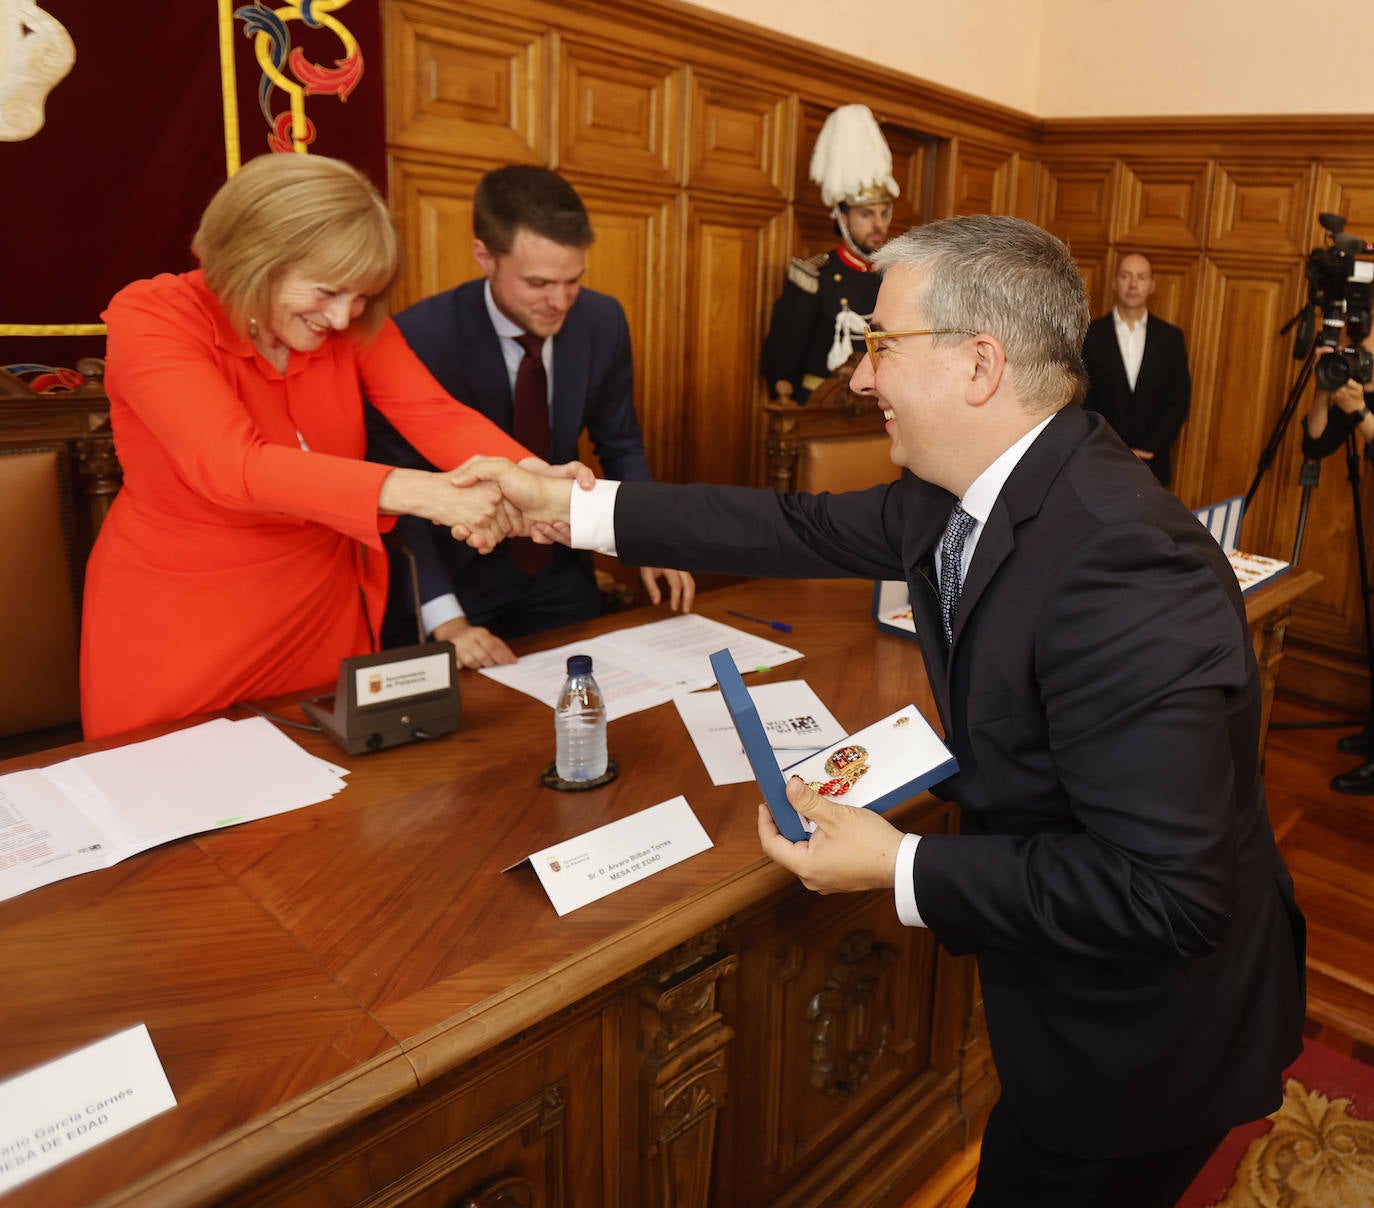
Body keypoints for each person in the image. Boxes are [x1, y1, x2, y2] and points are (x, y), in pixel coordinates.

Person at [471, 215, 1307, 1207]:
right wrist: (563, 507)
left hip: (1143, 1044)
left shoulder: (1123, 563)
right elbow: (781, 523)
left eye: (879, 345)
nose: (859, 377)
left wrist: (897, 862)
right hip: (1069, 1010)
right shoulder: (975, 485)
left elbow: (1165, 894)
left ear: (978, 364)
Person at [81, 153, 582, 741]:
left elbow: (429, 410)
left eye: (362, 295)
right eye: (326, 291)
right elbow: (228, 466)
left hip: (322, 610)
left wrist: (533, 478)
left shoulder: (346, 320)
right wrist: (427, 495)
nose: (345, 315)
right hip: (184, 617)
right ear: (251, 260)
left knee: (326, 807)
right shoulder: (156, 317)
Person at [365, 164, 693, 668]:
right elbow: (397, 486)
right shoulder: (418, 338)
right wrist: (446, 619)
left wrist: (648, 535)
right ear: (485, 257)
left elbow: (620, 442)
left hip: (559, 568)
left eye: (572, 281)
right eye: (538, 283)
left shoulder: (601, 321)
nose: (558, 301)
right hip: (454, 578)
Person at [760, 103, 897, 404]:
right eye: (866, 214)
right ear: (842, 218)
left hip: (880, 406)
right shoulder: (813, 275)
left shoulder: (895, 274)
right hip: (823, 407)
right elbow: (782, 358)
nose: (879, 224)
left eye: (884, 213)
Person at [1300, 347, 1374, 792]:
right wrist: (1324, 396)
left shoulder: (1363, 400)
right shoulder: (1356, 391)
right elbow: (1314, 442)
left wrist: (1360, 410)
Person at [1081, 252, 1191, 487]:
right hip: (1099, 459)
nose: (1133, 284)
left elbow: (1178, 400)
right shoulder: (1090, 336)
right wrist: (1108, 445)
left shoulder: (1170, 338)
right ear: (1114, 282)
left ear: (1151, 285)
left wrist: (1148, 449)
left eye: (1141, 277)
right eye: (1126, 276)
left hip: (1152, 463)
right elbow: (1082, 397)